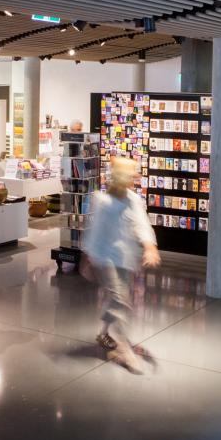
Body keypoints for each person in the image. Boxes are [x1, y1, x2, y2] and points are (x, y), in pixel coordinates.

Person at [84, 157, 161, 374]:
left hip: (125, 258)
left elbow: (142, 224)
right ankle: (124, 350)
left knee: (116, 301)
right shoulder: (102, 201)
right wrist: (88, 257)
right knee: (120, 301)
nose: (135, 178)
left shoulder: (133, 200)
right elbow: (95, 231)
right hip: (105, 258)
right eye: (131, 175)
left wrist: (149, 247)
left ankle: (104, 333)